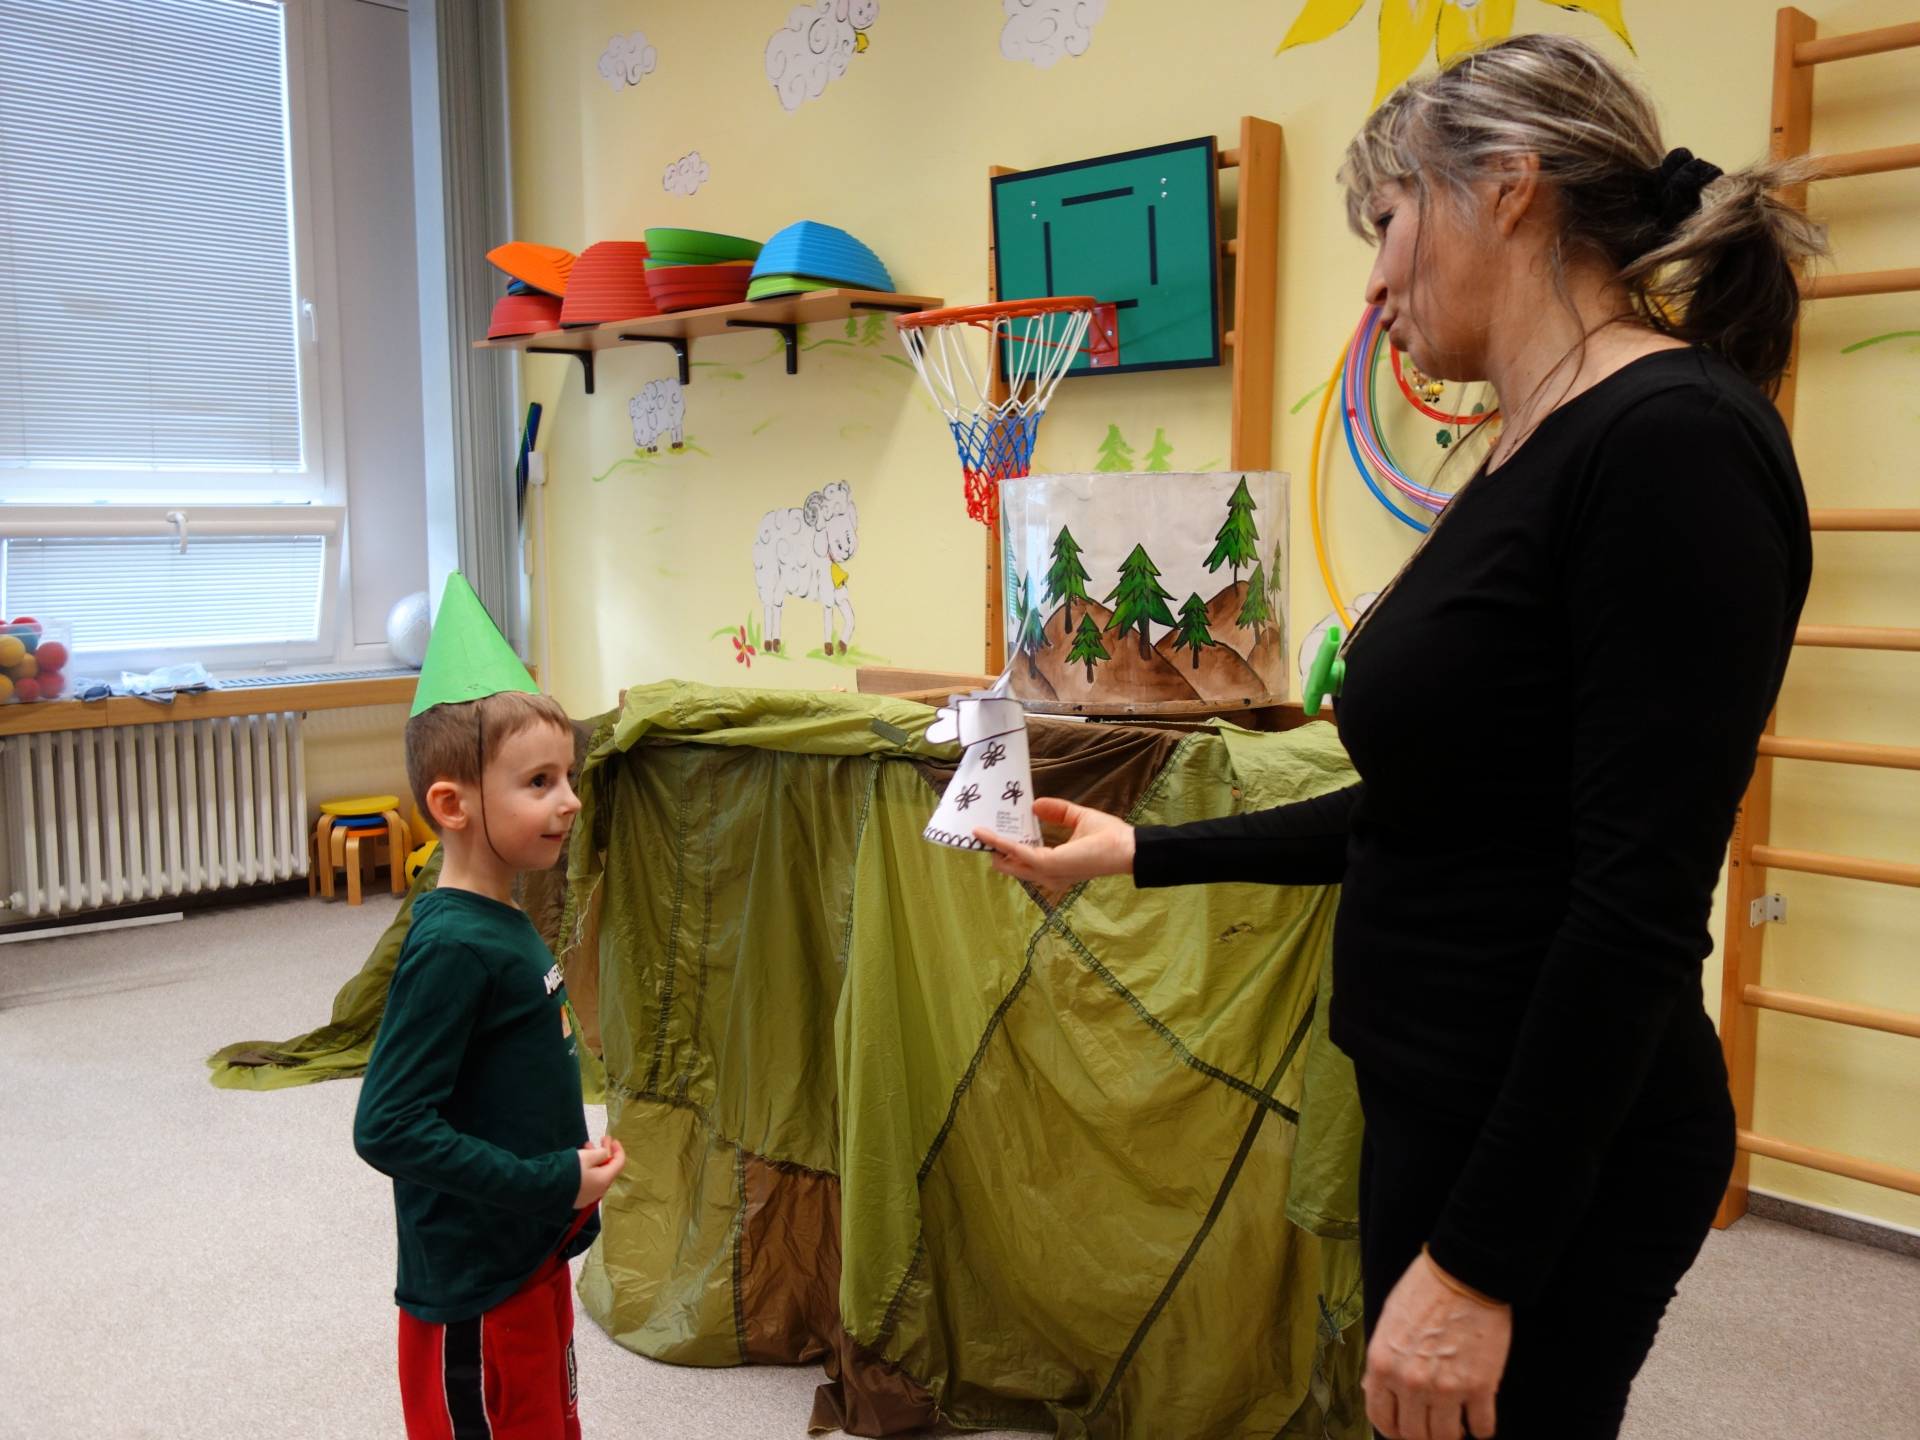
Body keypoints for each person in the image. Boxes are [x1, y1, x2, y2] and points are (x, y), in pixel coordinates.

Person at [975, 33, 1823, 1440]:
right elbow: (1446, 806)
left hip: (1551, 1136)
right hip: (1440, 1090)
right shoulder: (1526, 440)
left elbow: (1634, 902)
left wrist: (1480, 1265)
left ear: (1507, 189)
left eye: (1386, 220)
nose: (1371, 281)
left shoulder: (1674, 444)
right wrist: (1144, 852)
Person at [354, 574, 625, 1440]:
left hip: (527, 1252)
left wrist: (566, 1169)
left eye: (568, 776)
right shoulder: (451, 949)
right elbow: (388, 1126)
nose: (569, 799)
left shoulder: (504, 918)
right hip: (475, 1287)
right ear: (453, 804)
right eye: (539, 781)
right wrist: (549, 1181)